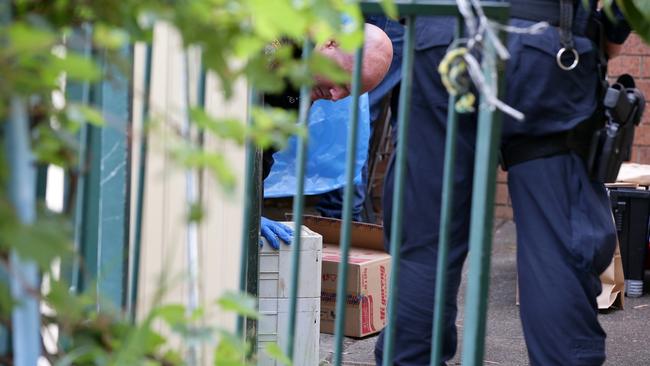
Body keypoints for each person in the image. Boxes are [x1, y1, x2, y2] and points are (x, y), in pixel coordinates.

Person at [374, 1, 631, 365]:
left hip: (442, 39)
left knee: (426, 238)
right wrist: (613, 28)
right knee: (558, 239)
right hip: (548, 44)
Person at [260, 23, 393, 248]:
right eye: (341, 80)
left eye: (348, 92)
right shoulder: (277, 38)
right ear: (330, 43)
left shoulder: (308, 83)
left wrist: (251, 210)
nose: (335, 96)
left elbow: (263, 148)